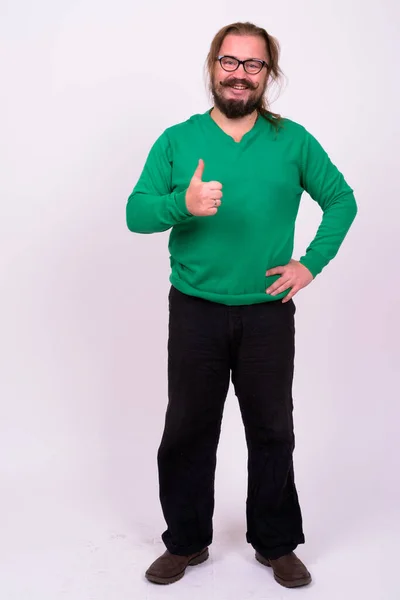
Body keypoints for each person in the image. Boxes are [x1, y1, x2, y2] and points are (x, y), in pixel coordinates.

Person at [126, 21, 357, 589]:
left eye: (253, 65)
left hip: (268, 312)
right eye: (230, 62)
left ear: (267, 75)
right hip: (197, 309)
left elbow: (341, 200)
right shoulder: (178, 140)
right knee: (188, 428)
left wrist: (310, 264)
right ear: (213, 67)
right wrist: (183, 202)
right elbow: (136, 213)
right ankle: (185, 542)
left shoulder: (293, 140)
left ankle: (276, 544)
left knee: (273, 429)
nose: (240, 74)